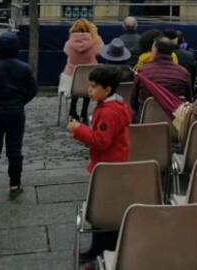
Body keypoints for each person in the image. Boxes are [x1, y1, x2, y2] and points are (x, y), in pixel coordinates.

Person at [67, 65, 132, 263]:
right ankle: (100, 250)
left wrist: (79, 130)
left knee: (103, 210)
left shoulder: (108, 112)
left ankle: (102, 252)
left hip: (107, 167)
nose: (90, 90)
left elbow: (101, 141)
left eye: (94, 86)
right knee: (106, 208)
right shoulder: (111, 107)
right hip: (111, 165)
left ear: (108, 90)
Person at [0, 32, 38, 199]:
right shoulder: (24, 68)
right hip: (16, 113)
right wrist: (20, 101)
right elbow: (33, 90)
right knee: (15, 150)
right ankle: (15, 184)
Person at [131, 36, 193, 113]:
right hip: (175, 122)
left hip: (146, 122)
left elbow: (133, 103)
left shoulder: (142, 71)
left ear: (155, 50)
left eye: (152, 48)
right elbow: (189, 101)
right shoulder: (184, 73)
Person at [60, 20, 102, 123]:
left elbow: (65, 51)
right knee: (88, 84)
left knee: (75, 84)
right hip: (89, 79)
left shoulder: (69, 44)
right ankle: (84, 113)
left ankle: (72, 111)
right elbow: (100, 51)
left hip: (72, 80)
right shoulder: (94, 42)